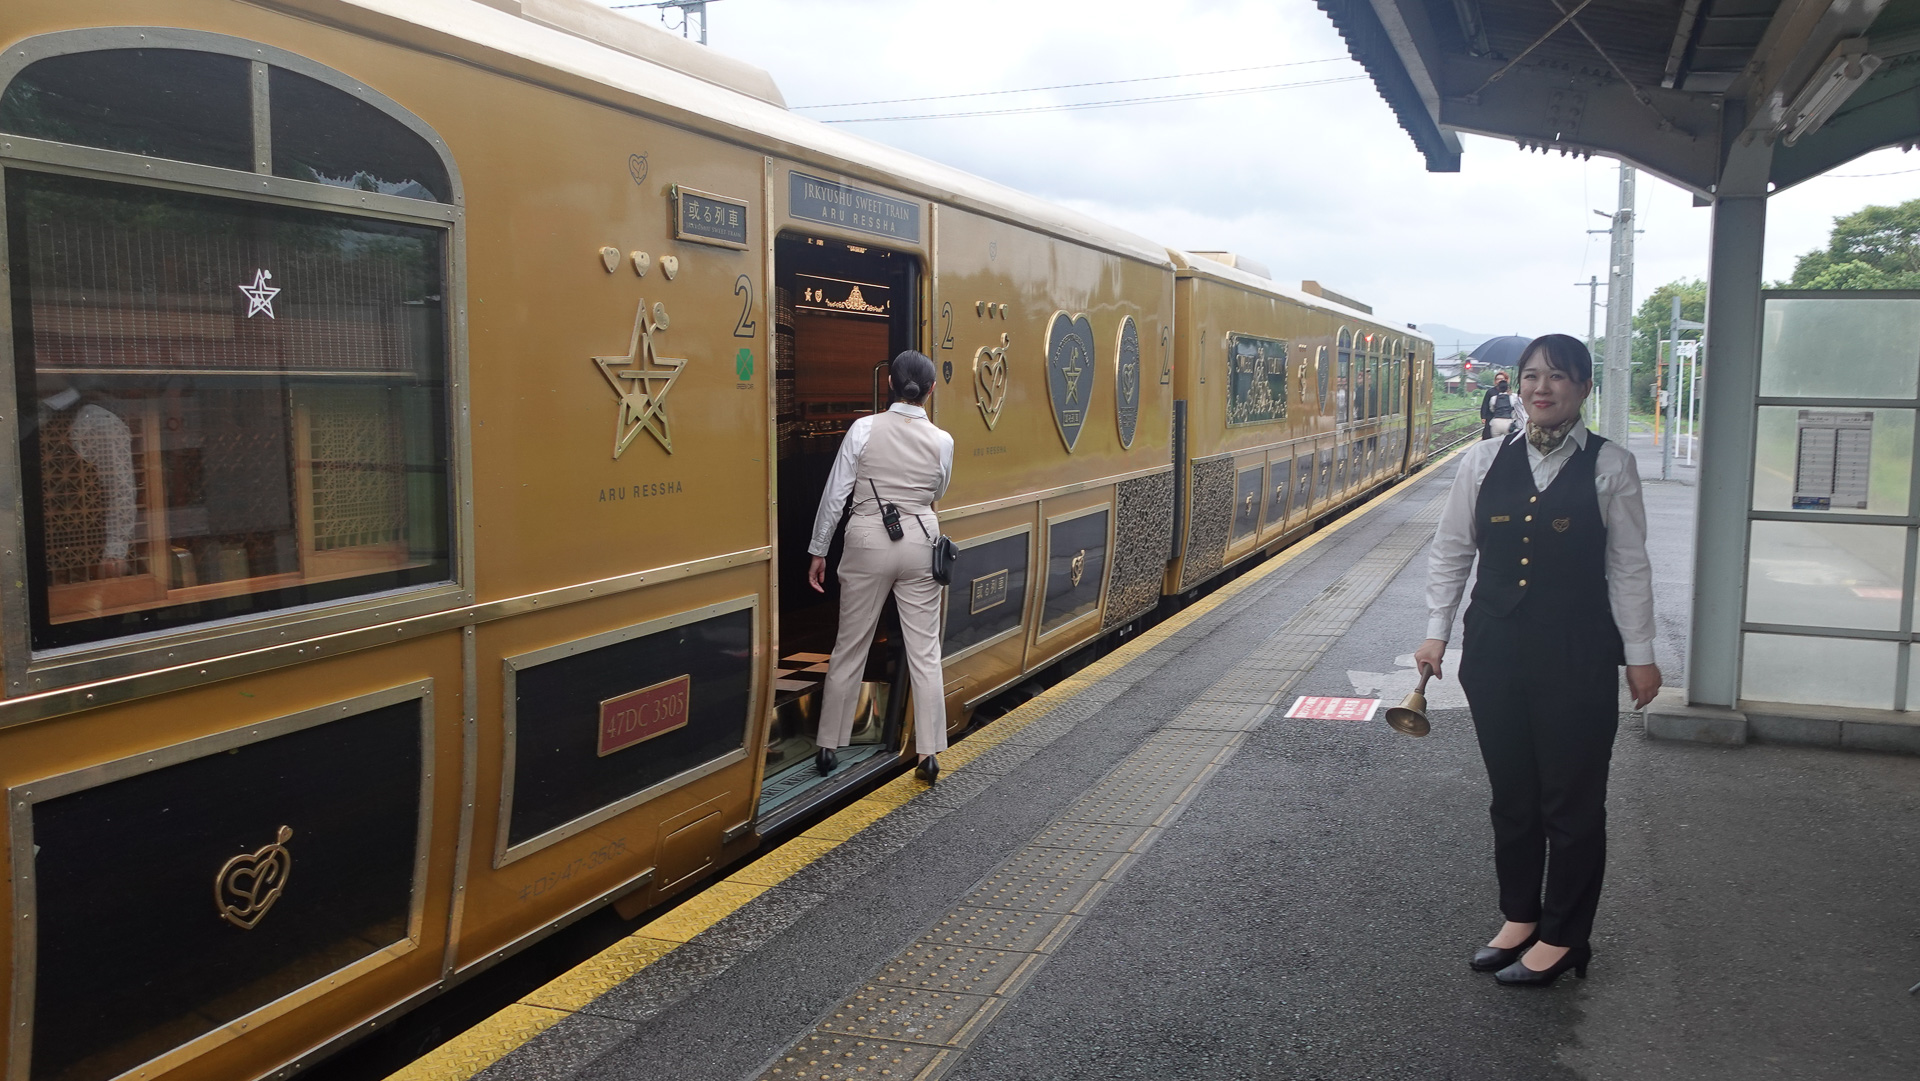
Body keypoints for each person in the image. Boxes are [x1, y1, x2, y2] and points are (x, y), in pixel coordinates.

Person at [1414, 333, 1660, 987]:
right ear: (1517, 386)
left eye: (1557, 376)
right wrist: (1436, 633)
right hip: (1496, 652)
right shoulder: (1483, 461)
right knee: (1513, 797)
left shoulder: (1612, 466)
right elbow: (1451, 549)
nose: (1540, 387)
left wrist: (1641, 655)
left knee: (1572, 800)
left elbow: (1629, 568)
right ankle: (1519, 915)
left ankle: (1565, 934)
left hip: (1577, 654)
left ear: (1583, 388)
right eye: (1530, 376)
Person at [807, 350, 955, 784]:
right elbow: (939, 488)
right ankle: (928, 754)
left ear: (889, 383)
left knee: (851, 643)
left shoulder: (863, 429)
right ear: (930, 390)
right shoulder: (943, 441)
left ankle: (828, 748)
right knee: (924, 651)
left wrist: (819, 550)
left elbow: (836, 494)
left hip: (869, 538)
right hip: (921, 541)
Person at [1480, 372, 1520, 439]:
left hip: (1504, 419)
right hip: (1493, 417)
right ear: (1495, 381)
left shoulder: (1510, 393)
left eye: (1501, 379)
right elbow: (1485, 405)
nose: (1499, 380)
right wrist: (1483, 416)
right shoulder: (1490, 391)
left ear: (1506, 380)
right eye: (1497, 379)